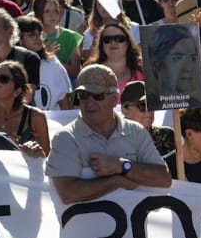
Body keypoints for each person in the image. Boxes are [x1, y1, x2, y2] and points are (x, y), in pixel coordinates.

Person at [45, 63, 173, 203]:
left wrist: (122, 165)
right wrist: (116, 181)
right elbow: (68, 194)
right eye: (83, 95)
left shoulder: (136, 132)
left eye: (98, 96)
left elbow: (164, 179)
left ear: (114, 98)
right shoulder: (66, 138)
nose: (89, 103)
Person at [0, 58, 50, 156]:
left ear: (17, 91)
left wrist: (34, 150)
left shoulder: (35, 117)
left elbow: (47, 158)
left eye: (3, 79)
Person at [145, 24, 201, 108]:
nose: (188, 67)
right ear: (157, 63)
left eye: (192, 58)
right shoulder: (147, 108)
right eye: (178, 58)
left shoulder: (197, 107)